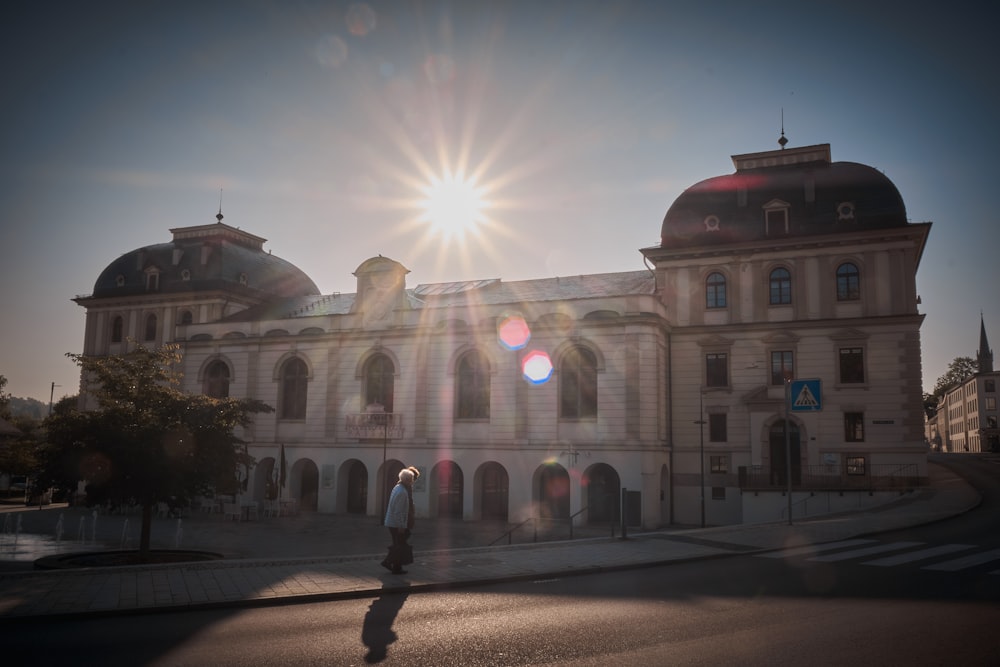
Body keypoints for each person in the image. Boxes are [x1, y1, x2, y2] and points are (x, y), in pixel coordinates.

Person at [382, 466, 419, 574]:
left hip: (391, 522)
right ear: (408, 480)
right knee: (399, 544)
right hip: (396, 524)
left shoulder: (397, 487)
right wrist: (401, 527)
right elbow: (399, 512)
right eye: (412, 479)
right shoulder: (402, 492)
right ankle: (388, 562)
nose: (412, 482)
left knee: (399, 544)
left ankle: (396, 567)